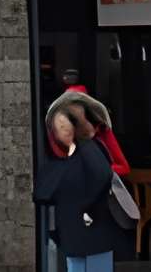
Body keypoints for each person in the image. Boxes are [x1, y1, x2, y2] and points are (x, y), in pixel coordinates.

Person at [33, 97, 122, 272]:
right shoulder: (63, 153)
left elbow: (102, 175)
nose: (60, 129)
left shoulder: (88, 147)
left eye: (63, 123)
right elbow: (42, 192)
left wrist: (85, 204)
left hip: (92, 228)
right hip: (74, 230)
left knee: (95, 264)